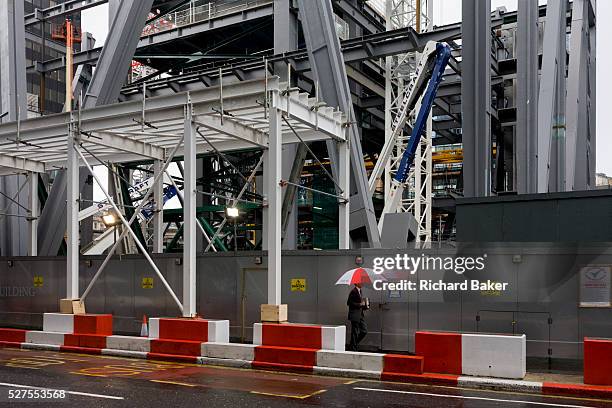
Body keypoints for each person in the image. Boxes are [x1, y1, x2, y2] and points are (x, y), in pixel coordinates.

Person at [347, 282, 368, 351]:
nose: (362, 283)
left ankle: (353, 344)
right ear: (356, 283)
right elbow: (349, 303)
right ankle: (353, 348)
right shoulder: (353, 291)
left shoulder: (360, 291)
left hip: (360, 314)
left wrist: (364, 305)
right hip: (354, 315)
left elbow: (359, 303)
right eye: (360, 282)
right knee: (355, 332)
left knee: (364, 331)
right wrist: (359, 304)